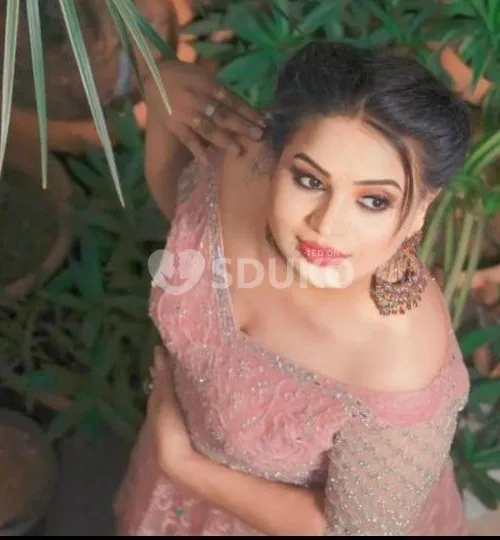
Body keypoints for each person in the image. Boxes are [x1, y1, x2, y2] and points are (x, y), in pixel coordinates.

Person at [114, 41, 473, 535]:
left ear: (420, 210)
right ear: (276, 155)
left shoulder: (397, 359)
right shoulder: (236, 168)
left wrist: (185, 466)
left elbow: (353, 532)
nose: (327, 225)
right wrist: (161, 92)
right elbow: (181, 209)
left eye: (373, 201)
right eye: (309, 180)